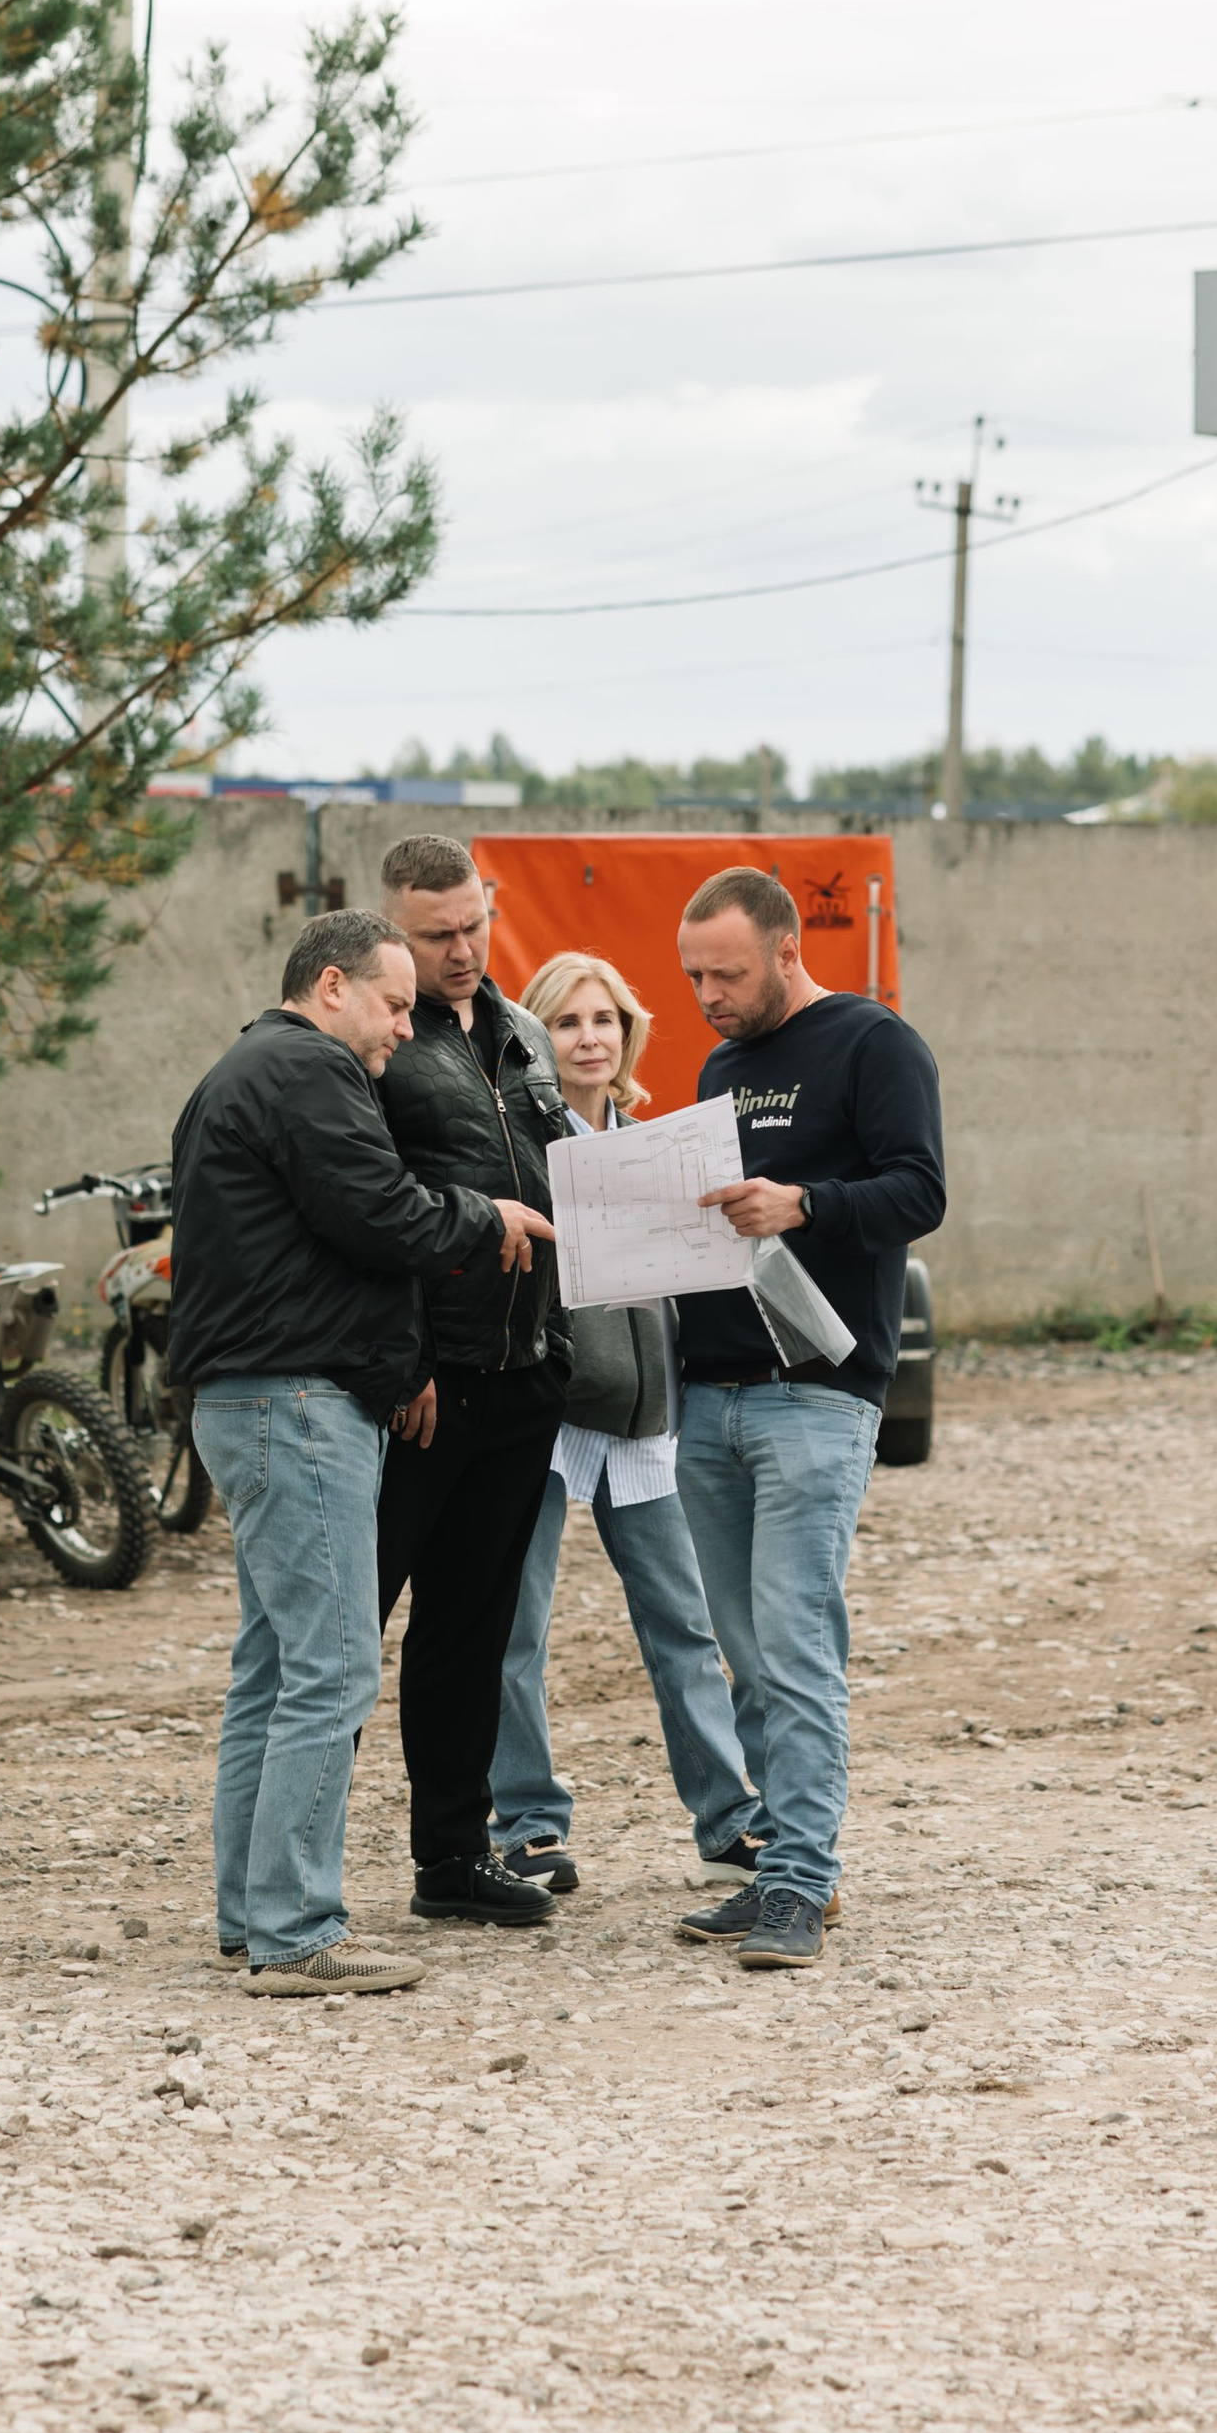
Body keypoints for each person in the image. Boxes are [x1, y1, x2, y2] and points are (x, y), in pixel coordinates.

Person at [170, 906, 554, 1996]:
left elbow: (324, 1237)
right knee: (331, 1668)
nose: (404, 1029)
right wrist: (490, 1218)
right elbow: (380, 1216)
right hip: (294, 1406)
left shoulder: (246, 1069)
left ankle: (251, 1916)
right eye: (393, 1005)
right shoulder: (307, 1071)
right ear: (330, 985)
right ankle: (295, 1930)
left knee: (274, 1669)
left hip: (249, 1402)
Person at [671, 864, 946, 1975]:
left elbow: (920, 1194)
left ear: (786, 952)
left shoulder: (874, 1045)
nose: (706, 996)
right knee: (744, 1653)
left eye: (726, 974)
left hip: (816, 1398)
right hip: (710, 1392)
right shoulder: (719, 1065)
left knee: (793, 1641)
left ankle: (797, 1885)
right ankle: (785, 1859)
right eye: (692, 976)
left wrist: (806, 1203)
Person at [488, 948, 770, 1892]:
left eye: (603, 1019)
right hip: (551, 1416)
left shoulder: (661, 1141)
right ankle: (525, 1822)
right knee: (516, 1630)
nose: (589, 1037)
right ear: (538, 1035)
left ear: (628, 1031)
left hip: (650, 1423)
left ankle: (729, 1819)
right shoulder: (519, 1148)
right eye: (568, 1022)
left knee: (684, 1626)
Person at [371, 832, 576, 1931]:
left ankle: (451, 1857)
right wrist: (403, 1361)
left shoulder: (523, 1035)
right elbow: (361, 1213)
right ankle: (289, 1879)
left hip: (520, 1377)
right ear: (390, 932)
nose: (460, 951)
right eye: (435, 935)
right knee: (349, 1629)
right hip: (423, 1389)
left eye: (473, 927)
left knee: (470, 1633)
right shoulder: (376, 1044)